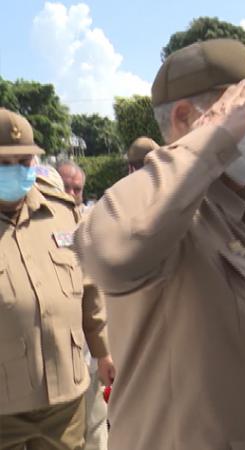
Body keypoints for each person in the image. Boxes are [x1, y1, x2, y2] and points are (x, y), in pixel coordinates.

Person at [74, 39, 245, 450]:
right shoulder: (161, 212)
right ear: (187, 117)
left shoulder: (234, 211)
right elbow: (111, 253)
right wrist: (209, 142)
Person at [0, 108, 113, 450]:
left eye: (24, 161)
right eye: (5, 163)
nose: (16, 171)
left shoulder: (62, 213)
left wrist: (104, 351)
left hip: (65, 394)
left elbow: (89, 287)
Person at [56, 159, 109, 450]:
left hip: (89, 350)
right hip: (54, 357)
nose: (71, 194)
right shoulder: (38, 227)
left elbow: (97, 292)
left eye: (77, 189)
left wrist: (104, 352)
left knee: (95, 423)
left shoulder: (90, 226)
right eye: (65, 186)